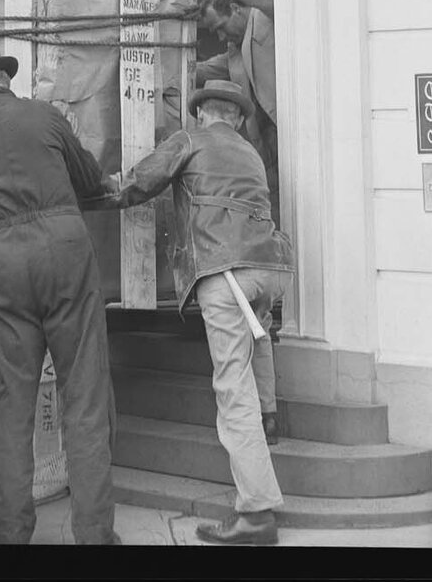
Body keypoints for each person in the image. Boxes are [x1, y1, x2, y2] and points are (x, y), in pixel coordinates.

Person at [90, 78, 293, 546]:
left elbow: (136, 184)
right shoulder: (250, 153)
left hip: (226, 267)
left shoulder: (189, 140)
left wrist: (86, 193)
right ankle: (269, 419)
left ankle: (257, 512)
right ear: (237, 118)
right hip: (273, 266)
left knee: (231, 383)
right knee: (259, 333)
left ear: (201, 113)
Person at [0, 45, 120, 546]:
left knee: (11, 401)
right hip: (65, 252)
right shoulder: (46, 115)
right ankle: (94, 537)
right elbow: (89, 179)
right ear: (5, 80)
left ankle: (8, 533)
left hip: (5, 260)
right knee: (84, 396)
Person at [196, 0, 279, 227]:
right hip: (265, 147)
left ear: (234, 8)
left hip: (293, 135)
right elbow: (202, 70)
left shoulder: (267, 18)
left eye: (220, 27)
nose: (220, 37)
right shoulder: (234, 51)